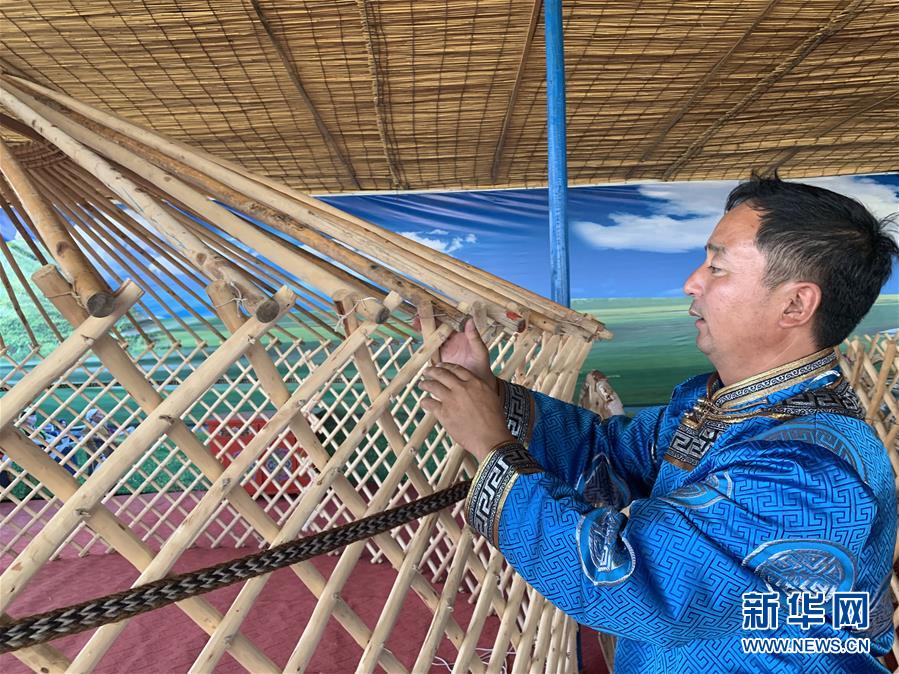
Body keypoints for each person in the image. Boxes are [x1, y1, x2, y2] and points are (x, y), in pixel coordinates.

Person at [419, 175, 898, 673]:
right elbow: (604, 451)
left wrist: (491, 444)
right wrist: (487, 392)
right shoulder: (712, 403)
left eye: (717, 266)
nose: (692, 281)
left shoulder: (809, 468)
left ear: (796, 304)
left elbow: (637, 581)